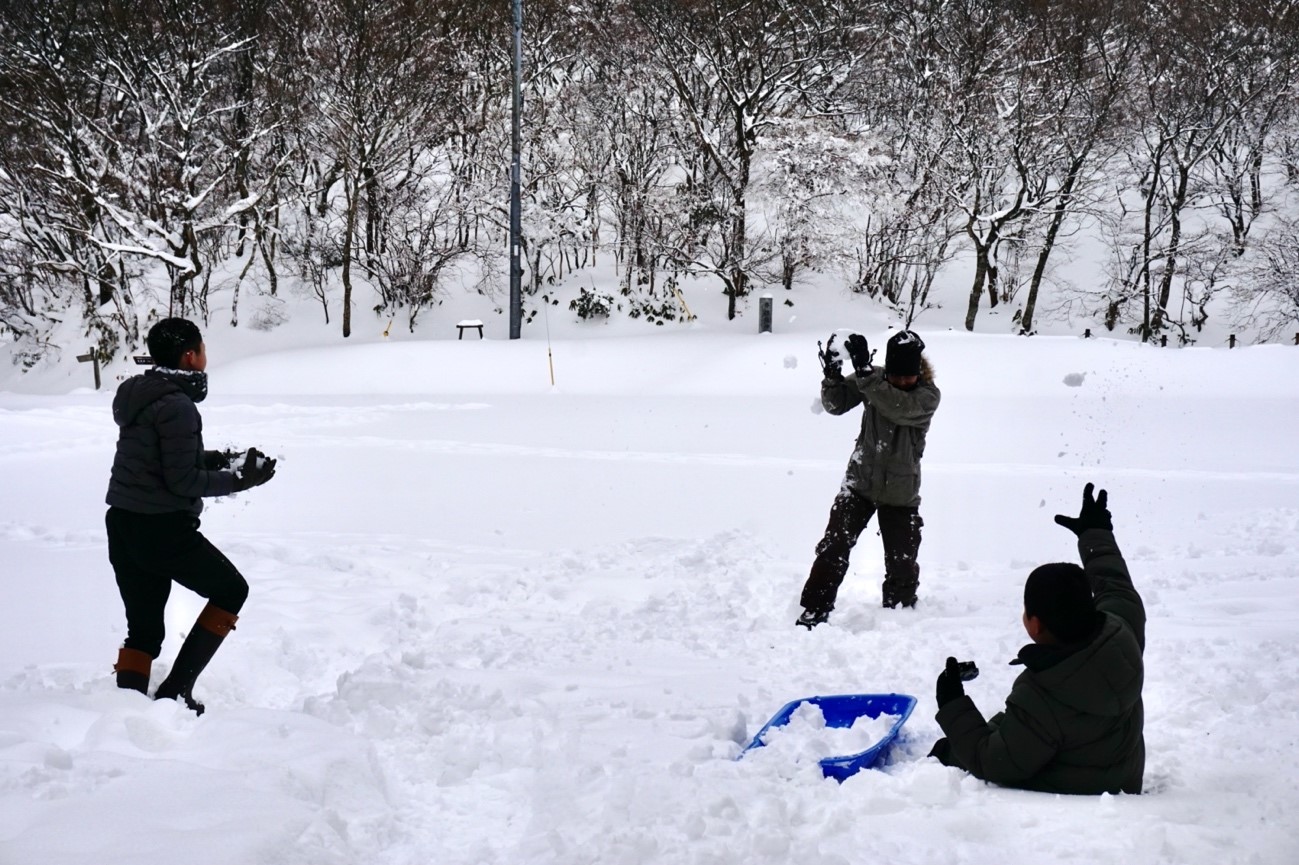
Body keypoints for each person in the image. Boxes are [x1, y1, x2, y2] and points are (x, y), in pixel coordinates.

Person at [106, 318, 277, 715]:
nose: (204, 358)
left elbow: (157, 461)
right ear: (189, 356)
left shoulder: (140, 394)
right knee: (232, 590)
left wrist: (218, 460)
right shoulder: (178, 405)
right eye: (201, 350)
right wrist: (239, 480)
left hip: (123, 524)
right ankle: (175, 692)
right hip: (163, 530)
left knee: (144, 631)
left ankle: (123, 712)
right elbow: (183, 481)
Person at [929, 483, 1145, 795]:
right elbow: (1115, 585)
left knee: (950, 751)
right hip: (1122, 773)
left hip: (1076, 791)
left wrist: (952, 703)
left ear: (1035, 625)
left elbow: (994, 762)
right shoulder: (1122, 634)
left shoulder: (1043, 695)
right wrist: (1095, 533)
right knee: (998, 729)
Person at [796, 329, 940, 627]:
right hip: (859, 483)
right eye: (896, 376)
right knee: (833, 547)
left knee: (902, 562)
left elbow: (897, 407)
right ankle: (815, 607)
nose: (902, 381)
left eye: (907, 376)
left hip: (901, 493)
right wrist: (833, 376)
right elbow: (835, 406)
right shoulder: (874, 380)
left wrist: (864, 373)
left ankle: (899, 614)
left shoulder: (927, 396)